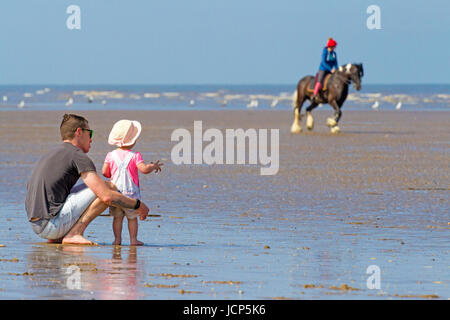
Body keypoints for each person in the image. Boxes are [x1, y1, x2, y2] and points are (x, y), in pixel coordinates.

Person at [25, 114, 150, 245]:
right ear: (79, 132)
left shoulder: (52, 153)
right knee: (108, 188)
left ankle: (60, 236)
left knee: (97, 188)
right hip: (51, 225)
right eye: (90, 133)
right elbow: (107, 196)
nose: (91, 139)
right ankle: (74, 233)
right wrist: (138, 205)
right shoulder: (77, 155)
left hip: (36, 224)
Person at [102, 120, 163, 246]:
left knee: (117, 218)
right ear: (133, 140)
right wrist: (152, 166)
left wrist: (110, 174)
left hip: (116, 194)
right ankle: (133, 240)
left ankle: (117, 239)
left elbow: (104, 172)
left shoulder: (110, 155)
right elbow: (144, 169)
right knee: (132, 218)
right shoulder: (136, 156)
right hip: (131, 195)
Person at [313, 37, 339, 101]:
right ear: (330, 46)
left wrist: (337, 69)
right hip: (323, 69)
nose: (334, 48)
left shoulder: (334, 54)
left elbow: (335, 62)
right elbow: (323, 62)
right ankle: (314, 95)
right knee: (319, 81)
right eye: (334, 47)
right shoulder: (325, 52)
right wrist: (330, 69)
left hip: (331, 70)